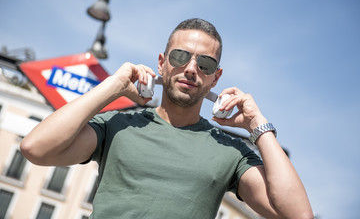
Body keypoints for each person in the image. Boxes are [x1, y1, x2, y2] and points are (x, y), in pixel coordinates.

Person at [21, 18, 313, 219]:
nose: (190, 68)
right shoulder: (118, 125)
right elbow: (35, 147)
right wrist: (113, 86)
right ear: (162, 63)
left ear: (216, 78)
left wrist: (258, 126)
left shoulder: (231, 152)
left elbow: (297, 214)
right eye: (180, 57)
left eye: (205, 63)